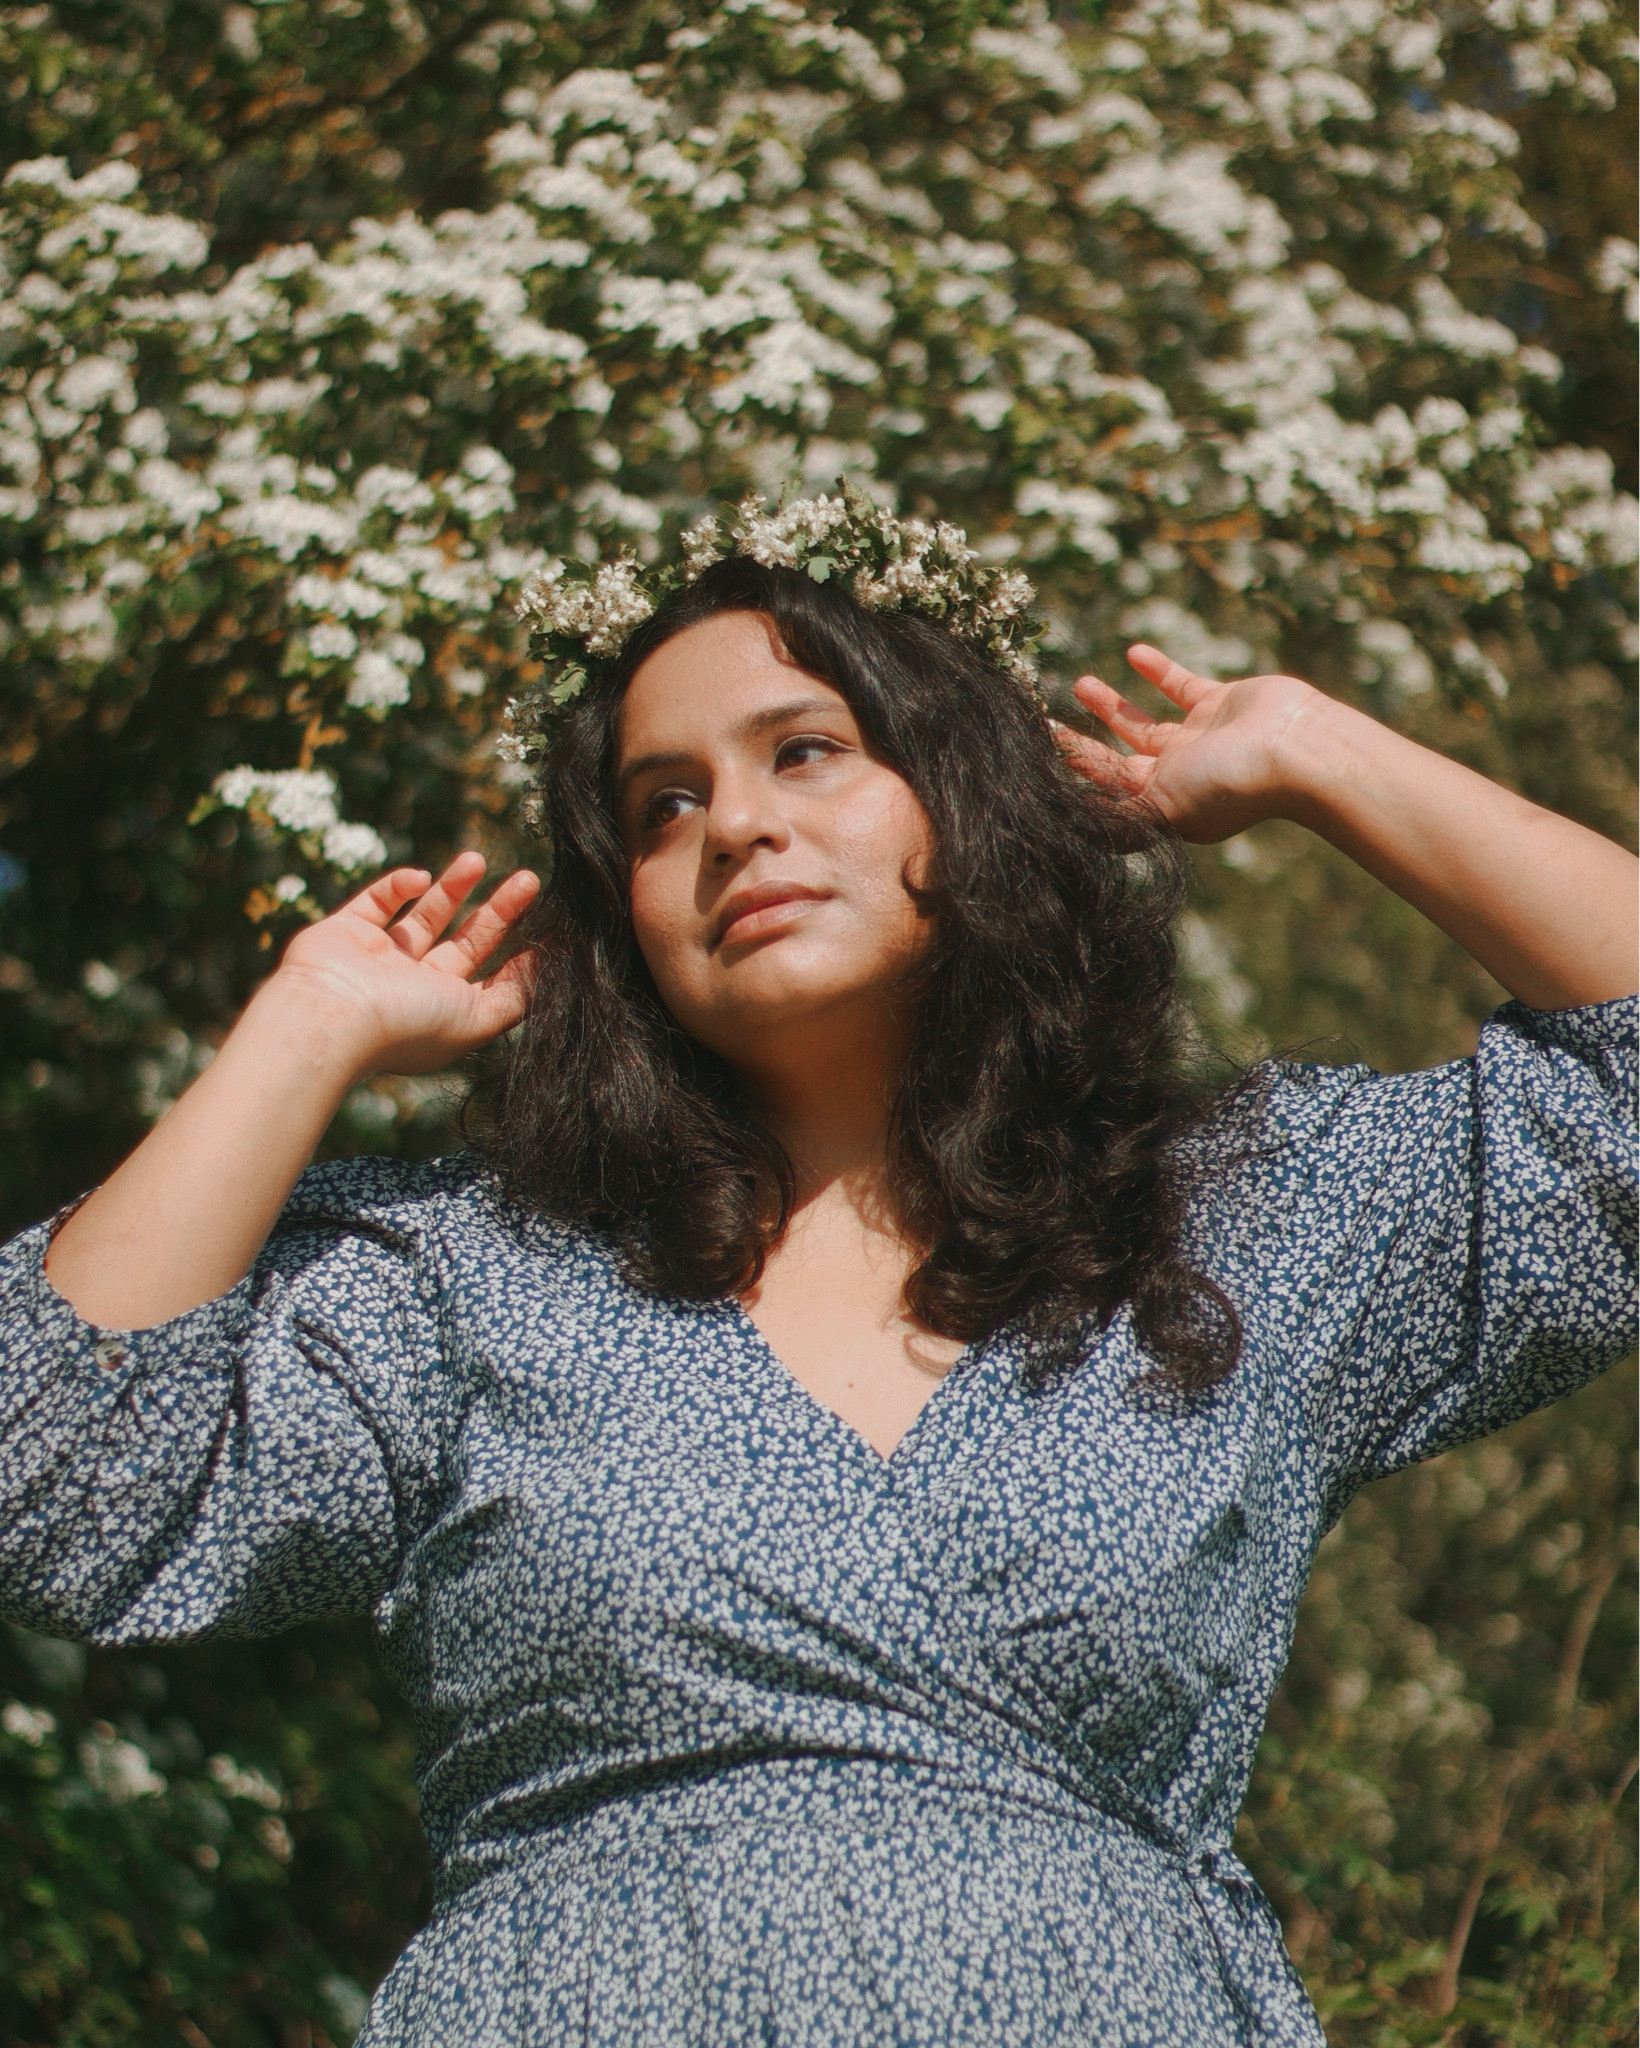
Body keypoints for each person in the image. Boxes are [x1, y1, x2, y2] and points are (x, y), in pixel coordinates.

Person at [1, 492, 1633, 2047]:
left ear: (969, 797)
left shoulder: (1238, 1228)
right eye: (665, 806)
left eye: (807, 752)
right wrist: (302, 1027)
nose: (739, 827)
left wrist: (1319, 753)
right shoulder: (474, 1279)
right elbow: (54, 1477)